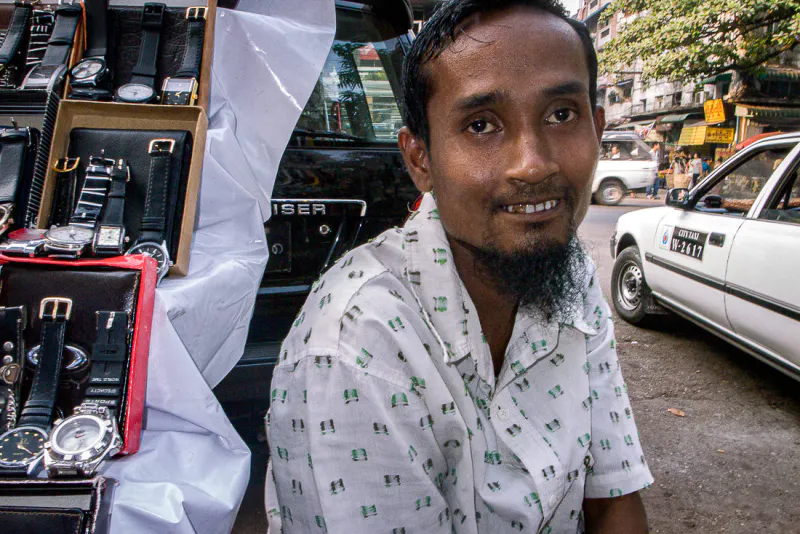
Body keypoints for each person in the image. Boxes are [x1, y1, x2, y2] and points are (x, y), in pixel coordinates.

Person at [265, 1, 653, 532]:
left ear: (598, 129)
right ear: (419, 159)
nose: (533, 164)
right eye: (481, 124)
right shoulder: (354, 349)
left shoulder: (573, 275)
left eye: (561, 115)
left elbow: (613, 495)